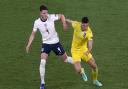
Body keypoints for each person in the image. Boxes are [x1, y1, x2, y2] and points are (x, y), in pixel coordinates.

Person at [26, 5, 72, 89]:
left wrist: (64, 24)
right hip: (46, 44)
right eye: (44, 13)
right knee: (42, 62)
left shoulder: (51, 17)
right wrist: (29, 45)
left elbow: (61, 15)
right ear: (40, 13)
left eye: (46, 12)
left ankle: (78, 63)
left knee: (66, 59)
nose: (46, 14)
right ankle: (42, 83)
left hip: (55, 43)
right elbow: (33, 35)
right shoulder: (37, 22)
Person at [66, 17, 103, 86]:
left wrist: (88, 51)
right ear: (81, 24)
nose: (85, 27)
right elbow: (69, 21)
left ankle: (95, 80)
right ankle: (82, 71)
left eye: (87, 25)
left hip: (84, 50)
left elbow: (90, 43)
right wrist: (65, 21)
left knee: (94, 66)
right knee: (78, 70)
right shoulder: (76, 25)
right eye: (84, 25)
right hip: (75, 51)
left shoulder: (89, 32)